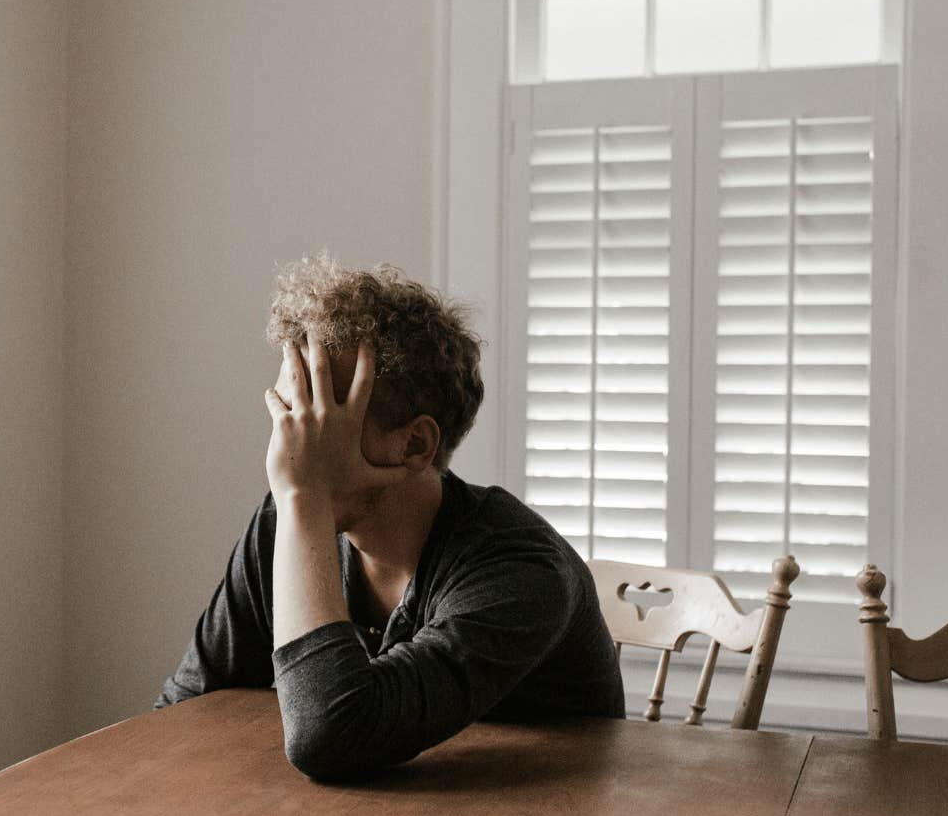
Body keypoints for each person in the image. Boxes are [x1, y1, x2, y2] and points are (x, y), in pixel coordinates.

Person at [156, 254, 626, 781]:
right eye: (288, 412)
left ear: (415, 444)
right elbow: (184, 711)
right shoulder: (286, 522)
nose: (288, 447)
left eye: (319, 417)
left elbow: (330, 736)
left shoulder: (520, 569)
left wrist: (305, 498)